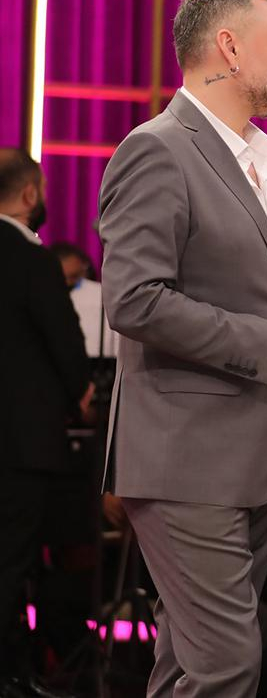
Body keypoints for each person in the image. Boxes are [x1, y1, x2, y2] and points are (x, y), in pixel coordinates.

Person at [97, 0, 267, 697]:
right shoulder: (157, 150)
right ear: (230, 48)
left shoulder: (257, 161)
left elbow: (249, 296)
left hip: (252, 459)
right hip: (188, 459)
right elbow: (135, 300)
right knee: (227, 665)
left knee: (191, 666)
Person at [0, 149, 90, 696]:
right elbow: (65, 343)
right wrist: (83, 393)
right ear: (31, 194)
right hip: (20, 445)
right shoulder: (32, 259)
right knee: (12, 565)